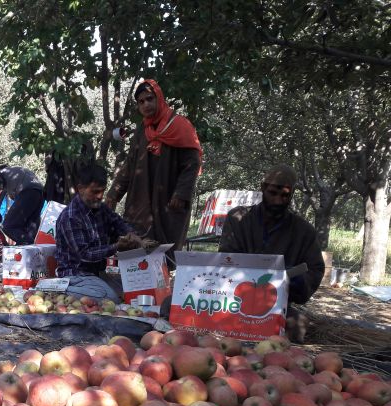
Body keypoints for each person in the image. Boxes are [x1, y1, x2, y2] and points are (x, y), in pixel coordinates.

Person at [218, 164, 325, 341]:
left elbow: (315, 269)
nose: (277, 201)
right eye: (273, 193)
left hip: (275, 305)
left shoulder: (303, 231)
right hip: (235, 299)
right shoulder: (238, 219)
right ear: (263, 188)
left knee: (296, 325)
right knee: (171, 305)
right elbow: (226, 258)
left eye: (285, 195)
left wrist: (297, 280)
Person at [106, 79, 202, 255]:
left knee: (166, 252)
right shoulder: (142, 130)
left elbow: (192, 163)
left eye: (150, 98)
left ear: (159, 98)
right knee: (136, 248)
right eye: (141, 102)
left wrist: (181, 193)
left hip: (169, 200)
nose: (146, 104)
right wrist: (114, 194)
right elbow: (130, 164)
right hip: (140, 199)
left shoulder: (180, 125)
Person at [55, 161, 147, 302]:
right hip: (76, 275)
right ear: (80, 189)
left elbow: (119, 222)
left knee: (136, 290)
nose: (100, 196)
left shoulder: (100, 208)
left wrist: (133, 237)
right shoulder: (70, 217)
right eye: (95, 191)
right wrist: (116, 247)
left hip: (97, 273)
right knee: (110, 299)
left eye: (102, 191)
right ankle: (57, 289)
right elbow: (85, 254)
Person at [0, 165, 45, 245]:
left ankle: (29, 244)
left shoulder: (2, 173)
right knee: (29, 229)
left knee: (8, 226)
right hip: (41, 193)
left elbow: (0, 192)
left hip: (28, 192)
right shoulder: (17, 170)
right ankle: (31, 250)